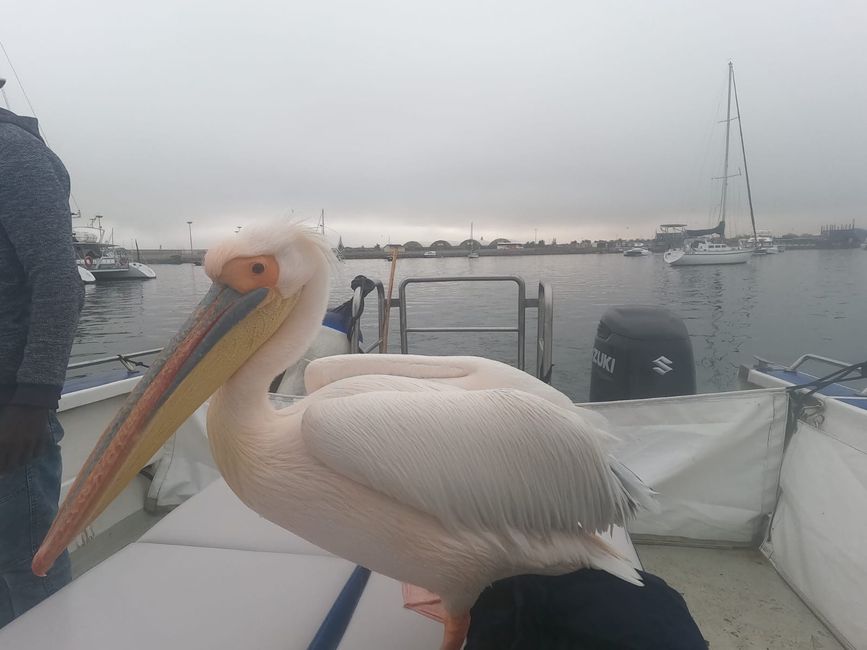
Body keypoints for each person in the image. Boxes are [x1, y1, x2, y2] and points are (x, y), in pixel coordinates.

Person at [0, 84, 84, 627]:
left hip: (10, 411)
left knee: (28, 564)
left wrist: (31, 403)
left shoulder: (12, 152)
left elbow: (59, 283)